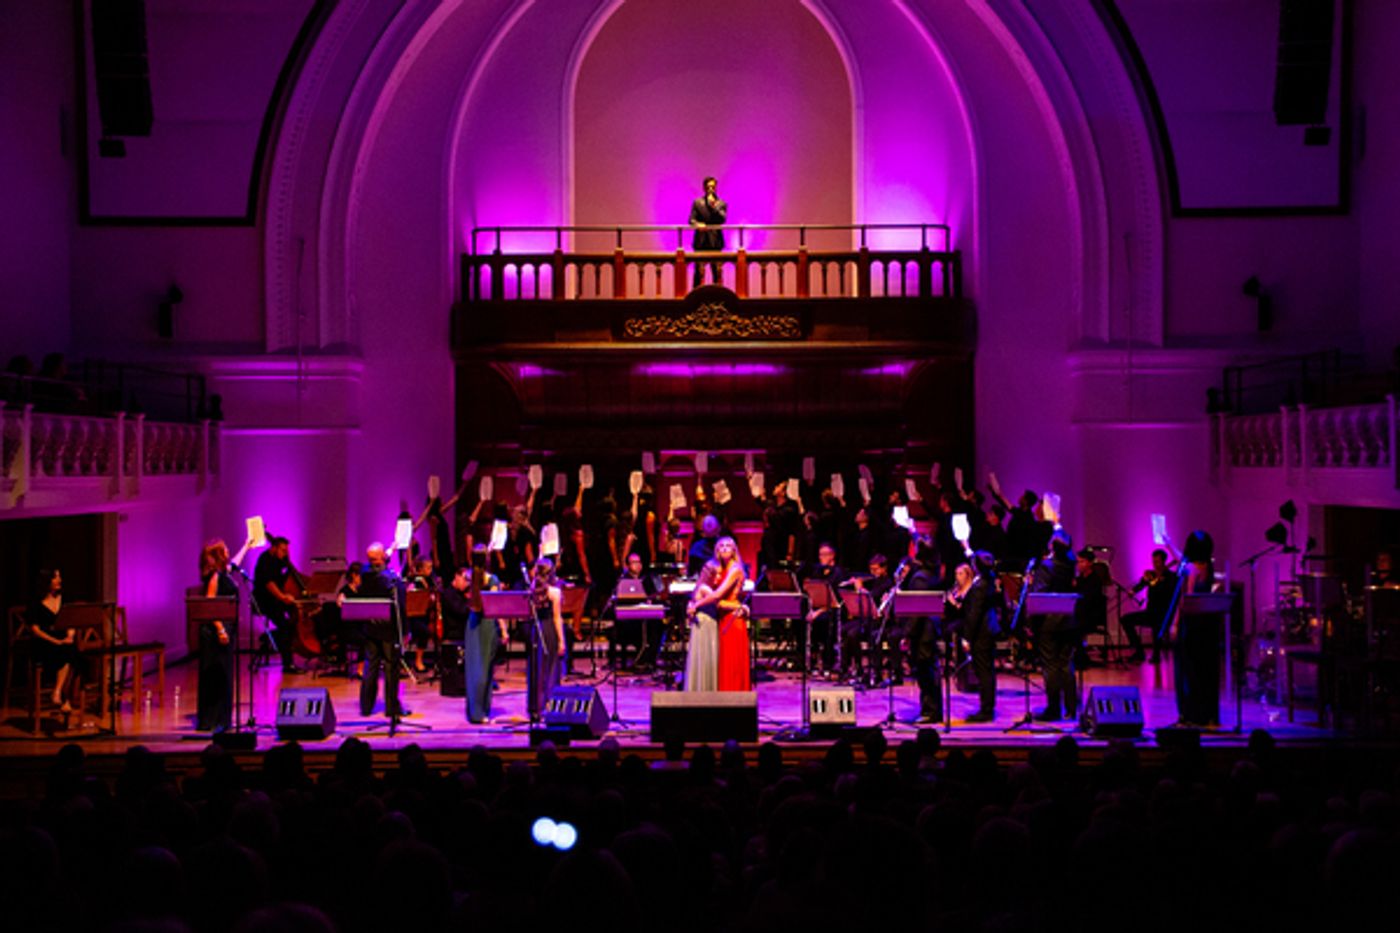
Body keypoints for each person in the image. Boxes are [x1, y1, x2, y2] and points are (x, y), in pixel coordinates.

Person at [196, 537, 254, 732]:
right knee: (217, 675)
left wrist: (246, 544)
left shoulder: (223, 573)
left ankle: (222, 720)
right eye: (226, 550)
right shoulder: (214, 576)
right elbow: (210, 603)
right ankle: (213, 720)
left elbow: (235, 563)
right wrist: (220, 629)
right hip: (215, 633)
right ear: (219, 555)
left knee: (224, 675)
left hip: (224, 631)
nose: (229, 553)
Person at [442, 548, 502, 724]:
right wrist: (504, 630)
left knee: (474, 668)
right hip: (487, 625)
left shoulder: (471, 579)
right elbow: (495, 607)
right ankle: (481, 711)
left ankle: (474, 711)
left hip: (473, 624)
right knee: (485, 669)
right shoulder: (492, 580)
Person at [353, 542, 409, 718]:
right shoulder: (390, 578)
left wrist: (389, 552)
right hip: (388, 629)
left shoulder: (364, 572)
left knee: (371, 666)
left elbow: (377, 568)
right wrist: (405, 631)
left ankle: (366, 707)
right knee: (391, 668)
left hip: (370, 627)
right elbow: (400, 605)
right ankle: (392, 708)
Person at [1173, 530, 1222, 727]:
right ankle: (1207, 715)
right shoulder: (1208, 567)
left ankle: (1189, 715)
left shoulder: (1190, 569)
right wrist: (1168, 542)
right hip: (1207, 627)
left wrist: (1175, 624)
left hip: (1191, 626)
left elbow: (1186, 600)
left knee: (1187, 671)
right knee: (1205, 671)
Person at [28, 568, 82, 715]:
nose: (59, 580)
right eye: (55, 577)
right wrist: (55, 641)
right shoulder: (36, 602)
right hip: (44, 642)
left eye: (59, 577)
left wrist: (70, 635)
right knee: (68, 652)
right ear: (46, 581)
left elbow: (71, 621)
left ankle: (58, 693)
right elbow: (36, 630)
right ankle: (65, 699)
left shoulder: (65, 598)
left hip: (62, 640)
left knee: (72, 652)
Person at [958, 551, 1003, 723]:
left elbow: (974, 614)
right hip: (987, 630)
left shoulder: (980, 585)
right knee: (986, 671)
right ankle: (987, 707)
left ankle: (986, 710)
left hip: (981, 633)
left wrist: (967, 637)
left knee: (983, 672)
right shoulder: (988, 580)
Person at [252, 536, 302, 673]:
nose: (285, 553)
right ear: (274, 548)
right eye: (283, 550)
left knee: (294, 618)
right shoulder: (265, 560)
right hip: (264, 600)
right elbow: (269, 584)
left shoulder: (282, 561)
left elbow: (286, 580)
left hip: (277, 600)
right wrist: (283, 597)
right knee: (285, 626)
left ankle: (271, 637)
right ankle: (288, 664)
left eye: (287, 551)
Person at [1121, 548, 1179, 663]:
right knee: (1125, 620)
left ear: (1163, 562)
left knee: (1157, 624)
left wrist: (1159, 580)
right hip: (1150, 612)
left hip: (1164, 613)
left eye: (1157, 562)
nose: (1155, 564)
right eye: (1153, 561)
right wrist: (1133, 591)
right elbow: (1141, 585)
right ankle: (1139, 651)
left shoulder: (1171, 577)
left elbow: (1171, 595)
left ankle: (1156, 655)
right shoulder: (1151, 575)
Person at [527, 558, 566, 720]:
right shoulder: (555, 592)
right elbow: (557, 618)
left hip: (535, 630)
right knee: (551, 668)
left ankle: (535, 707)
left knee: (536, 669)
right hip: (549, 630)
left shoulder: (531, 590)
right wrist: (562, 641)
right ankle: (550, 705)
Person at [688, 175, 727, 287]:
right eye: (708, 187)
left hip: (715, 241)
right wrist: (697, 224)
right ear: (704, 188)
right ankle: (696, 297)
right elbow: (691, 220)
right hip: (701, 240)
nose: (711, 189)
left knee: (717, 272)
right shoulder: (697, 203)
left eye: (713, 187)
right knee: (698, 272)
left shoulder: (721, 204)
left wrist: (713, 206)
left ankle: (718, 297)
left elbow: (723, 219)